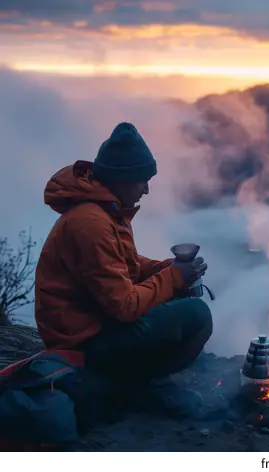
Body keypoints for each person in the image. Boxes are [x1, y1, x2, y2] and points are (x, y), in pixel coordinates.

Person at [34, 122, 213, 416]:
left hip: (94, 326)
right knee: (196, 314)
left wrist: (168, 268)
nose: (146, 189)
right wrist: (173, 277)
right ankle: (131, 389)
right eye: (142, 180)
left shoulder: (106, 210)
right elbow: (124, 307)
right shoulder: (91, 223)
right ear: (122, 178)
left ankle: (133, 384)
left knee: (181, 295)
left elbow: (124, 264)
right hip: (81, 344)